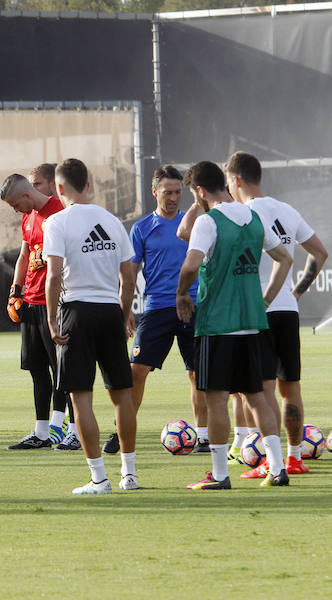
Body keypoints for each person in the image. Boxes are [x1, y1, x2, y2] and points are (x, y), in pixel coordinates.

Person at [176, 160, 292, 490]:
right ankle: (278, 467)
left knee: (216, 400)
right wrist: (265, 300)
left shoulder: (208, 222)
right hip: (253, 322)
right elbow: (284, 258)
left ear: (199, 191)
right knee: (256, 397)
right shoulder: (254, 218)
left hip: (218, 324)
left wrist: (182, 294)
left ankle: (220, 474)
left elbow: (190, 265)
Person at [224, 152, 328, 476]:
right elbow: (319, 253)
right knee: (290, 388)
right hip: (288, 310)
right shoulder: (286, 210)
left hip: (259, 311)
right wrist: (297, 291)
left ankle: (272, 462)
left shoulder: (241, 213)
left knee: (263, 390)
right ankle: (295, 458)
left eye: (228, 180)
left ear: (236, 180)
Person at [42, 158, 138, 495]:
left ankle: (99, 479)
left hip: (76, 313)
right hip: (110, 309)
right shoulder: (112, 221)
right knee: (121, 395)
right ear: (89, 184)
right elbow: (128, 277)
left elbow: (53, 275)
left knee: (80, 396)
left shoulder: (56, 222)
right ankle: (130, 474)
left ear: (59, 187)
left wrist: (52, 319)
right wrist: (124, 314)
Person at [102, 166, 208, 455]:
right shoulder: (142, 228)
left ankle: (203, 437)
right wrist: (124, 312)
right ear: (154, 192)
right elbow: (129, 273)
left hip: (194, 306)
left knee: (198, 374)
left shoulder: (197, 223)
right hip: (157, 308)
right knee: (135, 371)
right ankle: (120, 430)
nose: (173, 198)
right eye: (167, 192)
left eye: (177, 192)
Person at [0, 166, 79, 451]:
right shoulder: (28, 218)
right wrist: (15, 291)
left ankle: (73, 430)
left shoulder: (60, 212)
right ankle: (42, 432)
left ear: (25, 194)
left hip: (54, 302)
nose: (15, 210)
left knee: (64, 370)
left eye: (14, 204)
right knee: (36, 369)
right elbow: (24, 255)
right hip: (31, 301)